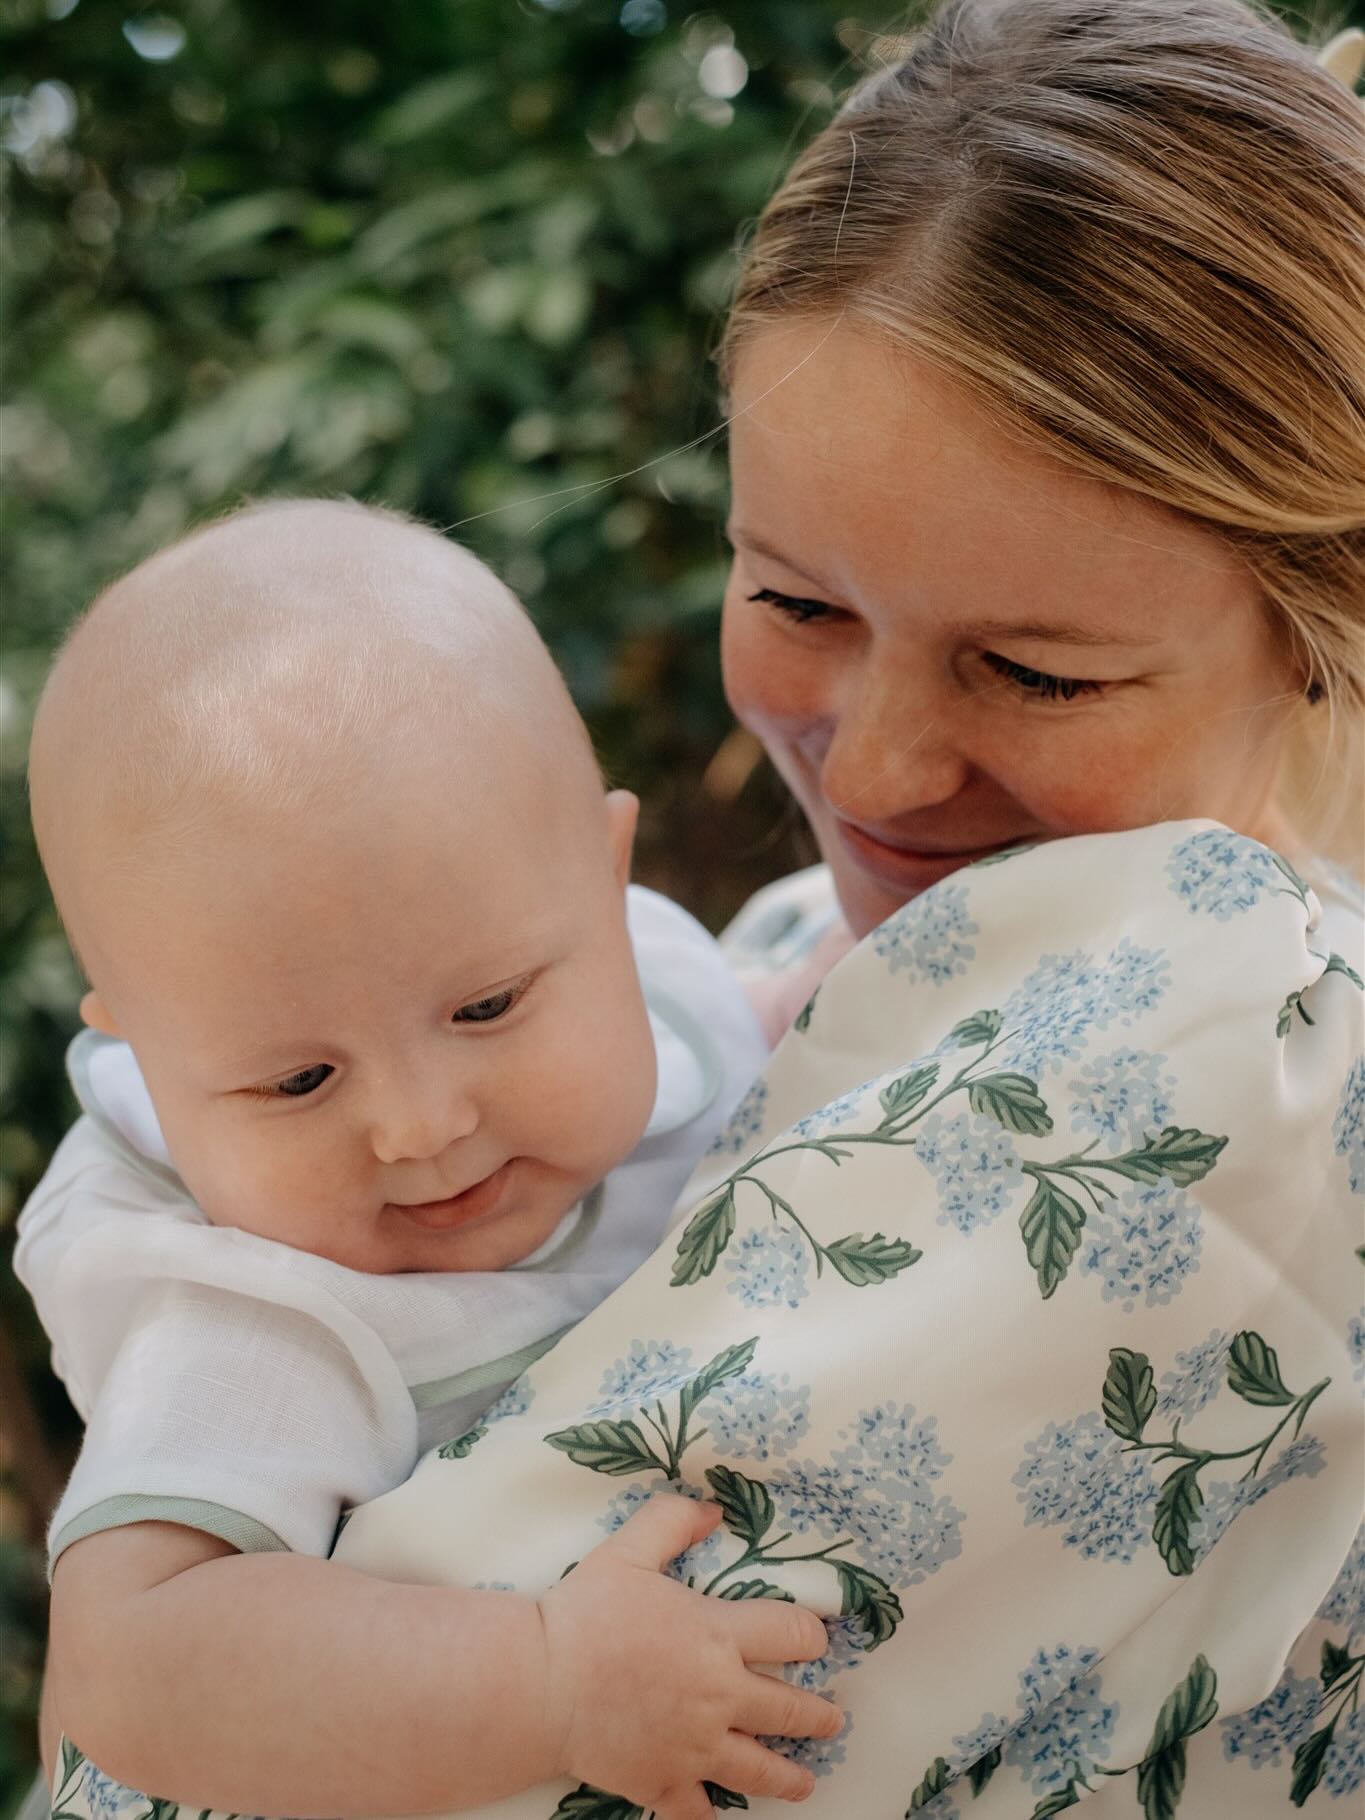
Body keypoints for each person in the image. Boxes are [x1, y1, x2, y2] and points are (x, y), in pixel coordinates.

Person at [33, 0, 1365, 1816]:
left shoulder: (1243, 1030)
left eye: (1037, 672)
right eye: (796, 602)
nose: (876, 769)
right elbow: (138, 1682)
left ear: (1315, 633)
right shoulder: (760, 966)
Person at [16, 498, 844, 1819]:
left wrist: (828, 1000)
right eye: (299, 1080)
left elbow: (728, 1041)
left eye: (486, 1009)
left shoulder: (629, 971)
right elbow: (128, 1671)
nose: (419, 1125)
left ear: (607, 885)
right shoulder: (262, 1314)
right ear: (155, 1067)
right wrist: (548, 1683)